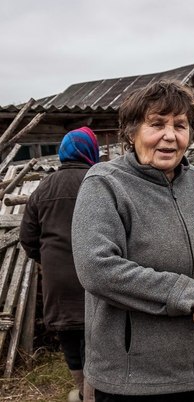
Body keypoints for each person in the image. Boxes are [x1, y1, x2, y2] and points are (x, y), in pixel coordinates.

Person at [70, 81, 194, 402]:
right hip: (135, 380)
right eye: (156, 124)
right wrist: (189, 294)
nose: (170, 135)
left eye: (180, 126)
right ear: (131, 132)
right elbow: (97, 267)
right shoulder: (106, 184)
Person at [19, 126, 100, 402]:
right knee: (95, 335)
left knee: (69, 336)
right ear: (91, 150)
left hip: (58, 279)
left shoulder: (43, 188)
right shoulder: (98, 180)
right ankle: (92, 394)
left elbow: (27, 237)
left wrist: (47, 260)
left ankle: (80, 391)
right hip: (95, 274)